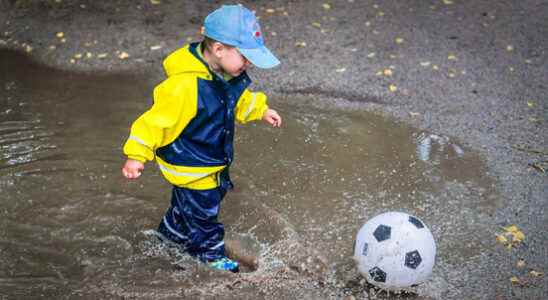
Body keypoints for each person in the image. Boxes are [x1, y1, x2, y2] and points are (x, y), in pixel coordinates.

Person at [121, 4, 282, 273]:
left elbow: (237, 101)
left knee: (185, 206)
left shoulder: (224, 73)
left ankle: (168, 236)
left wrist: (261, 110)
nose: (249, 63)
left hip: (203, 161)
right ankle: (209, 256)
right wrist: (136, 155)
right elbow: (155, 121)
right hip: (193, 166)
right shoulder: (184, 86)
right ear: (219, 49)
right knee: (205, 215)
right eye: (245, 56)